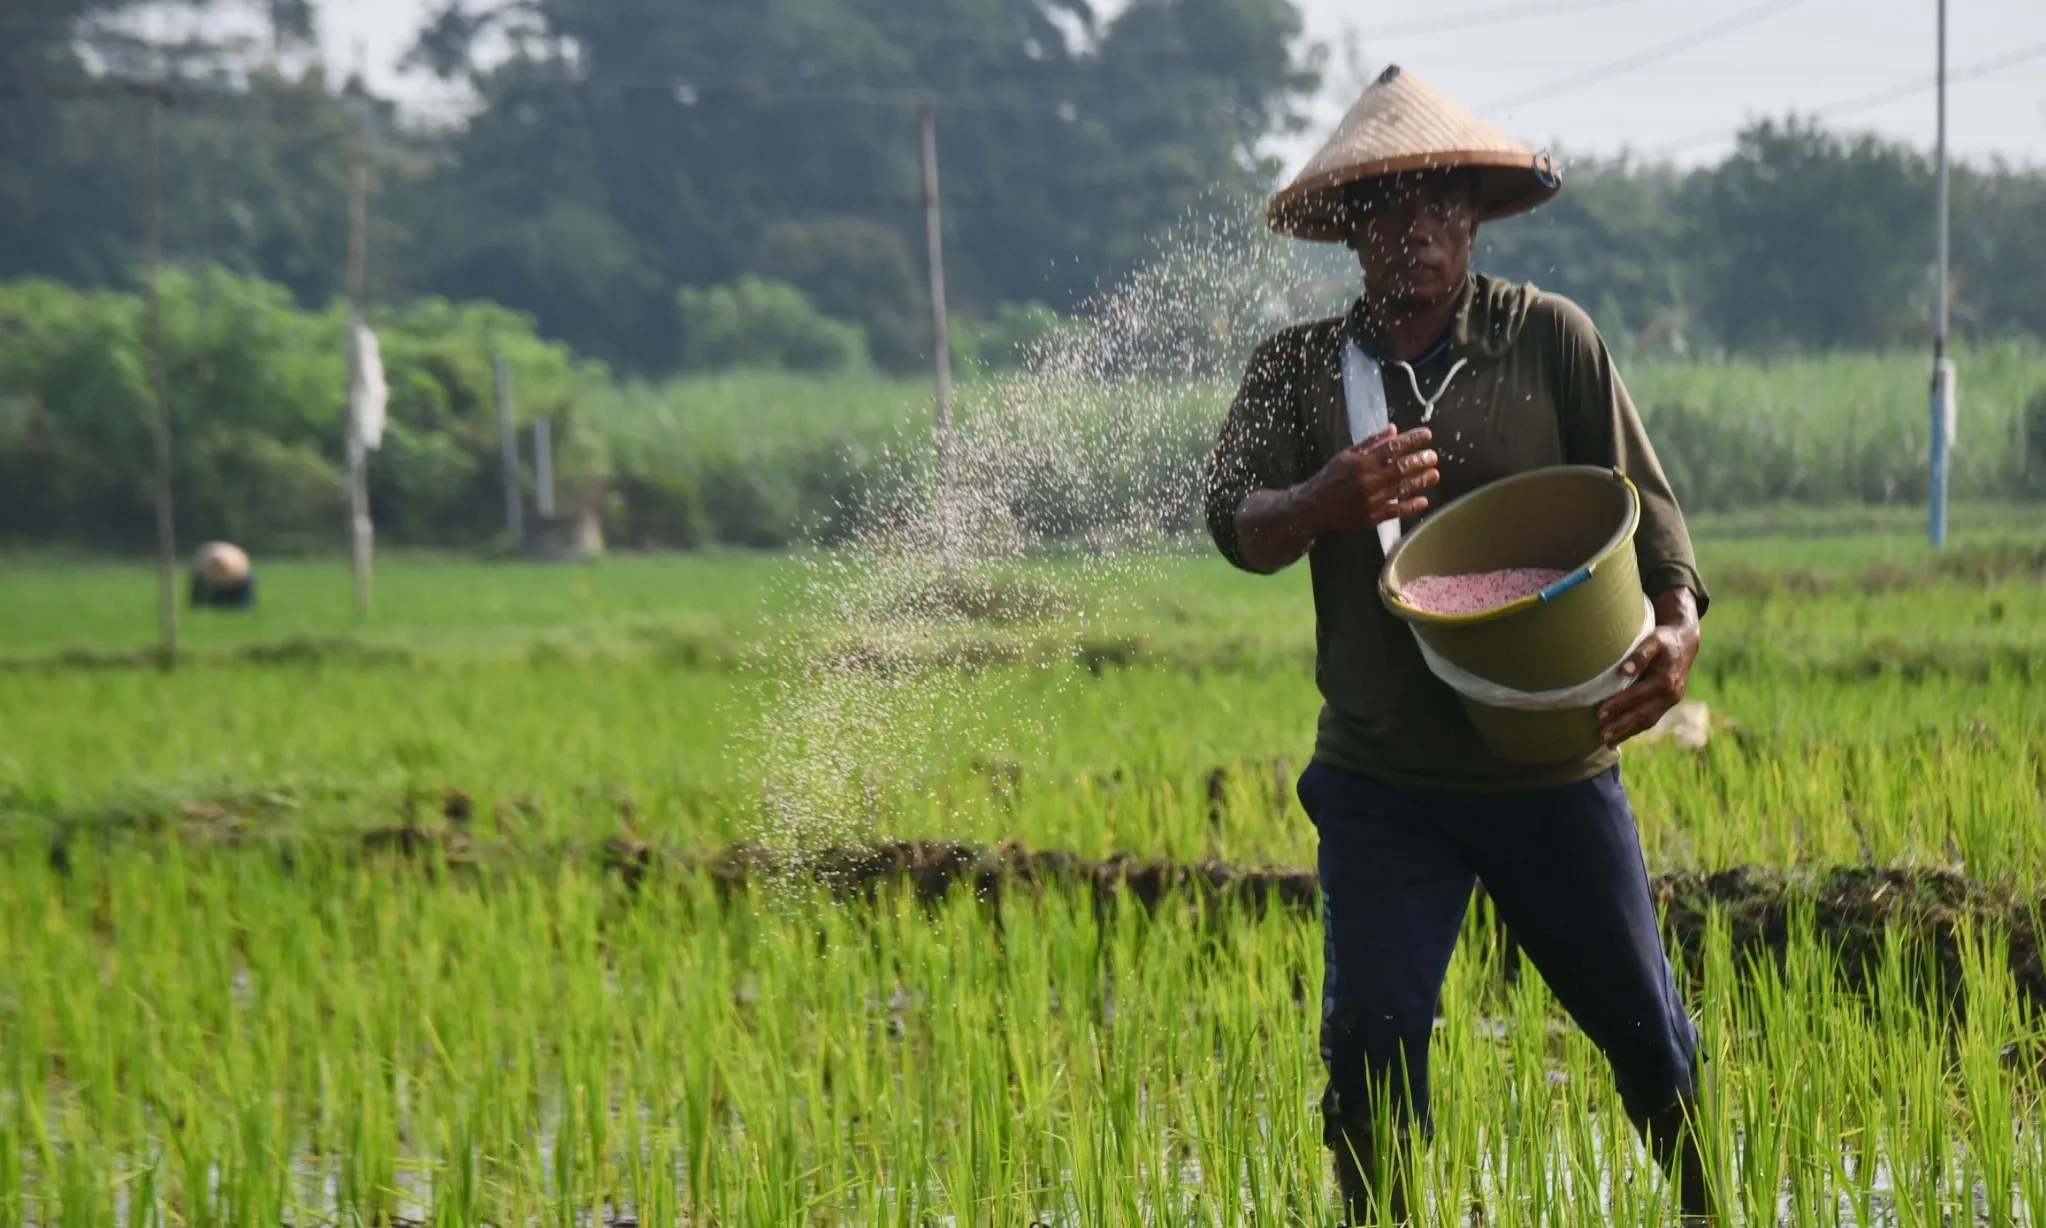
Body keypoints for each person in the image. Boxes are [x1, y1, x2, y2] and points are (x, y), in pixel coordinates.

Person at [1203, 66, 1713, 1224]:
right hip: (1385, 780)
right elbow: (1233, 523)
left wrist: (1677, 622)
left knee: (1651, 1046)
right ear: (1348, 230)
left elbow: (1650, 503)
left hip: (1552, 764)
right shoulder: (1295, 373)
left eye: (1438, 204)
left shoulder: (1549, 342)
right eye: (1386, 209)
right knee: (1369, 1058)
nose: (1415, 231)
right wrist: (1321, 500)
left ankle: (1703, 1204)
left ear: (1474, 217)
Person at [189, 541, 257, 610]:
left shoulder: (238, 570)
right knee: (217, 604)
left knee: (240, 604)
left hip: (239, 575)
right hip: (221, 567)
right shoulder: (203, 566)